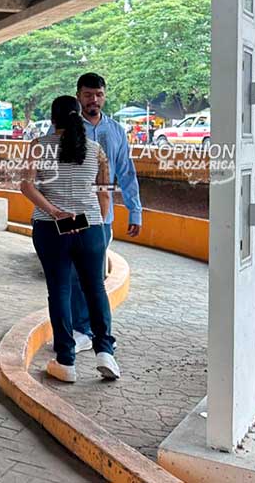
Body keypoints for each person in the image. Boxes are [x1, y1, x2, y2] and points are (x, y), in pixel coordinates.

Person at [21, 95, 120, 382]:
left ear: (53, 119)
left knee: (60, 290)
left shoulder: (39, 146)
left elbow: (26, 185)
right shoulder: (96, 150)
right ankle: (105, 353)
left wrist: (54, 211)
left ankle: (66, 361)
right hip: (90, 226)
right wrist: (98, 226)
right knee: (95, 289)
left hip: (52, 227)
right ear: (78, 116)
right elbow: (104, 193)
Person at [65, 73, 142, 355]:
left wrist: (135, 211)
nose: (93, 100)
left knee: (93, 276)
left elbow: (126, 172)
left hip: (102, 216)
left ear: (104, 96)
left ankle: (92, 331)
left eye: (98, 94)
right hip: (73, 212)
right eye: (87, 95)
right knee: (72, 275)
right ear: (78, 96)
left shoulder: (116, 131)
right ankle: (80, 329)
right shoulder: (69, 129)